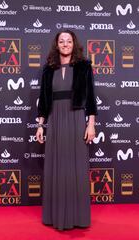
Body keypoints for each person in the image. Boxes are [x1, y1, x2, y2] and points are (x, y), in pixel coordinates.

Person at [36, 30, 98, 231]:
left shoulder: (84, 66)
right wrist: (40, 125)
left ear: (74, 44)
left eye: (68, 41)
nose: (65, 44)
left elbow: (90, 99)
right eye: (61, 41)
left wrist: (90, 124)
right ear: (57, 45)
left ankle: (78, 216)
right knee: (57, 166)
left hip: (76, 119)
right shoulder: (48, 69)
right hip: (55, 120)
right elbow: (44, 100)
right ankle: (55, 216)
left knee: (76, 167)